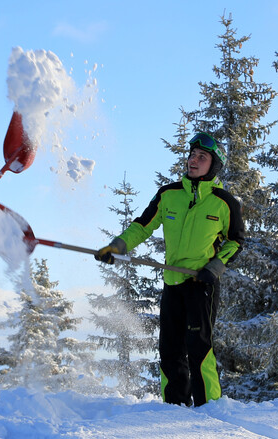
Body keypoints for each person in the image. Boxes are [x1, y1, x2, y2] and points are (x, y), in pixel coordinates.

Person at [96, 132, 245, 407]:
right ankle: (174, 407)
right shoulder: (169, 195)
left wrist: (214, 266)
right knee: (169, 349)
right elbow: (142, 226)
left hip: (202, 284)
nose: (193, 160)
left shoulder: (224, 202)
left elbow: (236, 241)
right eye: (192, 155)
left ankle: (209, 406)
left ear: (214, 165)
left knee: (198, 348)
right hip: (173, 282)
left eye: (202, 157)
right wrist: (118, 246)